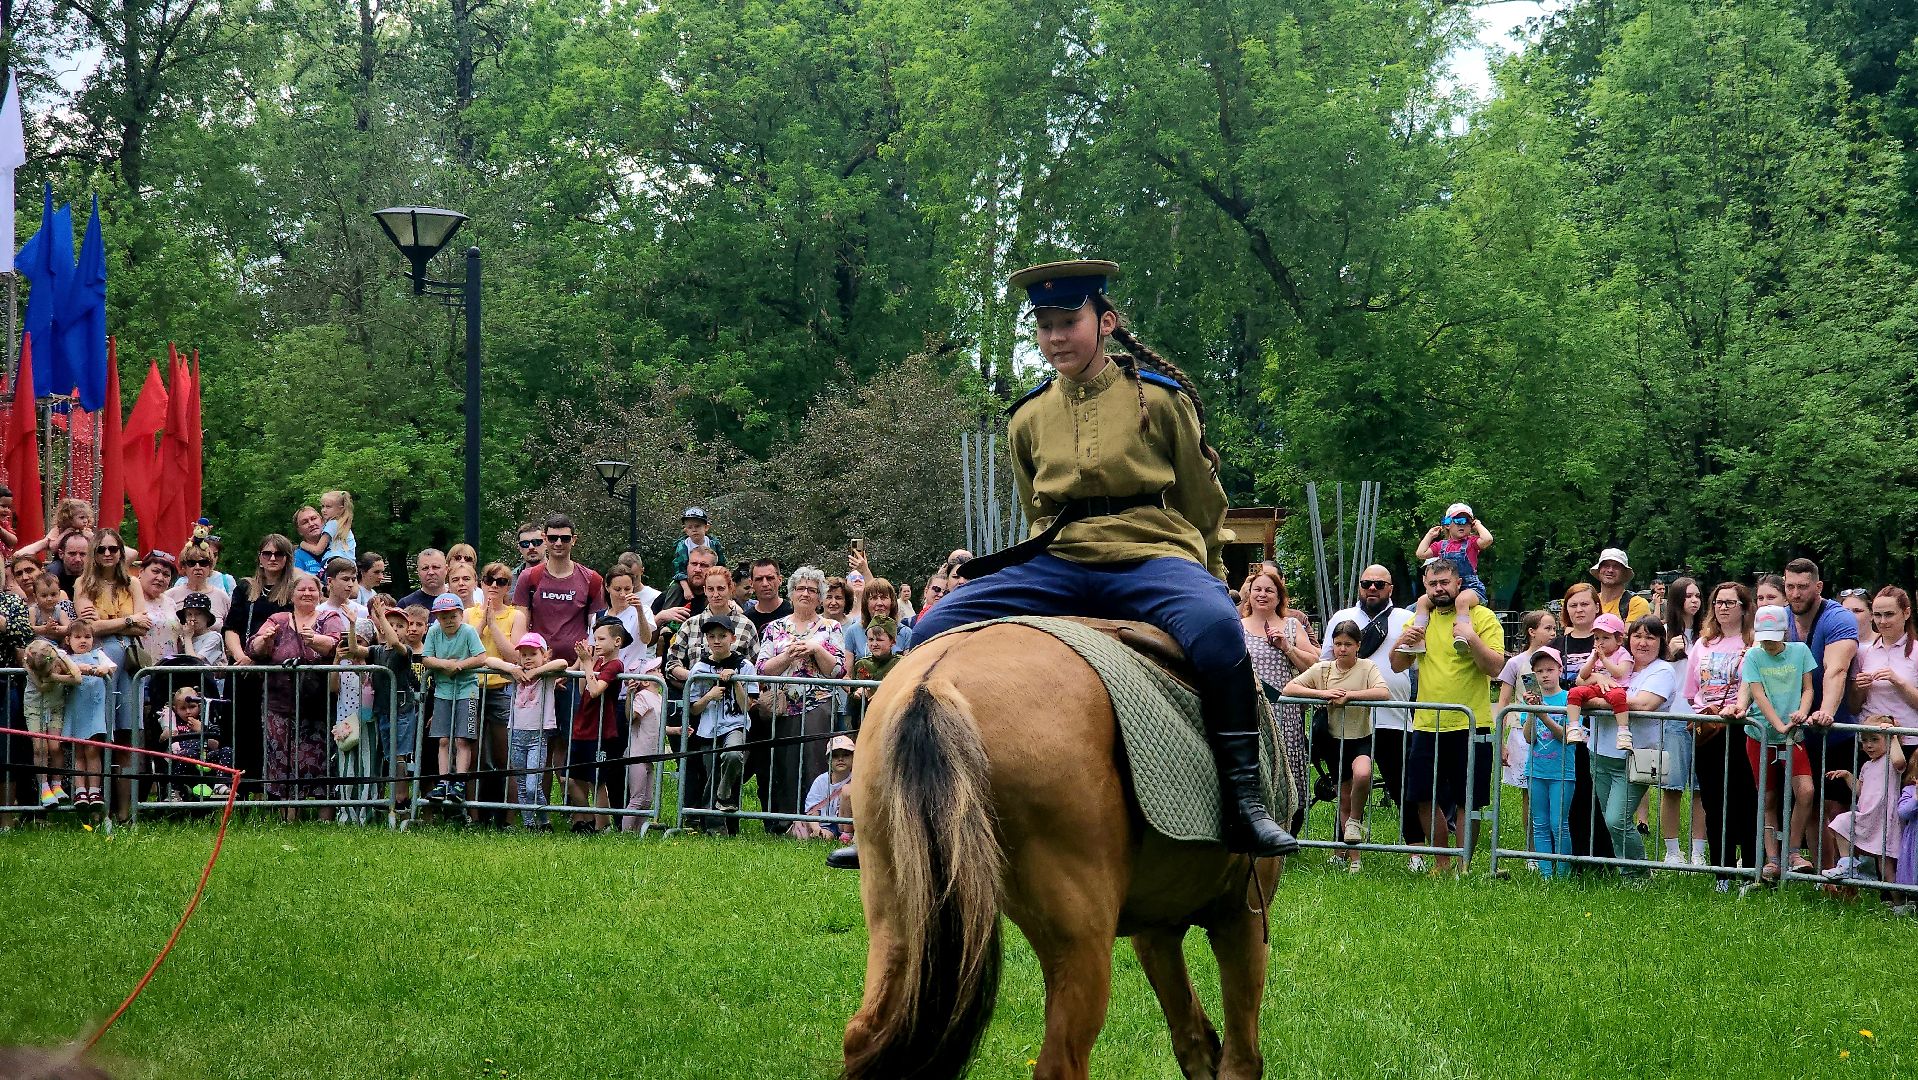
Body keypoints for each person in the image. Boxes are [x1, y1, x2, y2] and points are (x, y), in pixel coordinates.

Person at [829, 259, 1297, 873]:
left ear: (1105, 322)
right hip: (1060, 557)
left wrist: (1206, 569)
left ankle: (1243, 802)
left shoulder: (1159, 399)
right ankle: (888, 810)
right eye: (1045, 325)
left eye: (1068, 322)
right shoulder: (1026, 417)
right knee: (933, 626)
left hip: (1150, 552)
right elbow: (1035, 511)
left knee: (1214, 629)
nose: (1056, 337)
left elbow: (1202, 502)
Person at [1391, 557, 1505, 872]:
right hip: (1427, 724)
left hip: (1472, 722)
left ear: (1458, 584)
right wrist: (1404, 641)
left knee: (1469, 800)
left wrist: (1471, 638)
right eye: (1433, 584)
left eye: (1445, 583)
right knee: (1422, 796)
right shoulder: (1419, 620)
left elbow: (1495, 667)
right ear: (1425, 587)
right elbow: (1397, 665)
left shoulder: (1482, 617)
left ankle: (1463, 866)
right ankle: (1443, 863)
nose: (1440, 589)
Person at [1321, 564, 1419, 847]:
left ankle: (1415, 851)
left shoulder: (1406, 618)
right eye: (1366, 583)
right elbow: (1324, 662)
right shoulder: (1342, 618)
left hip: (1394, 716)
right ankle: (1344, 851)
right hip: (1348, 720)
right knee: (1348, 787)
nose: (1372, 588)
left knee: (1403, 786)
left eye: (1379, 584)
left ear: (1390, 588)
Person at [1284, 620, 1389, 867]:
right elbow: (1290, 688)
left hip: (1360, 738)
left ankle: (1355, 820)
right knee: (1343, 797)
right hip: (1334, 742)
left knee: (1363, 775)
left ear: (1357, 646)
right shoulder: (1323, 670)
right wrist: (1323, 694)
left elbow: (1383, 692)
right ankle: (1354, 858)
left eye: (1348, 644)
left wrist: (1351, 696)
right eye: (1338, 643)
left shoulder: (1367, 667)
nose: (1342, 649)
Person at [1783, 558, 1862, 868]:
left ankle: (1848, 875)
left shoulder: (1838, 618)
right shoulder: (1781, 618)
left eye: (1803, 587)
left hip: (1837, 729)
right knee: (1809, 802)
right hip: (1796, 729)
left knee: (1837, 808)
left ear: (1818, 587)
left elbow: (1836, 669)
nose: (1796, 593)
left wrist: (1826, 712)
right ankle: (1823, 876)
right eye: (1790, 586)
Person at [248, 573, 346, 819]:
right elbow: (254, 648)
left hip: (317, 707)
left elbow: (336, 644)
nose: (306, 593)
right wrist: (265, 640)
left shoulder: (328, 618)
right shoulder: (278, 619)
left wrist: (314, 640)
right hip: (278, 705)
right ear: (291, 595)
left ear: (320, 593)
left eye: (312, 589)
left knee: (320, 763)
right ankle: (289, 818)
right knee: (282, 763)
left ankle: (324, 820)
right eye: (301, 589)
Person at [1586, 616, 1678, 879]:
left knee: (1617, 819)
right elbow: (1580, 687)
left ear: (1661, 642)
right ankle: (1626, 869)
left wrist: (1599, 699)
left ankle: (1639, 873)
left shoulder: (1662, 671)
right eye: (1638, 636)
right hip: (1600, 752)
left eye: (1650, 637)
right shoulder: (1617, 665)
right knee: (1609, 819)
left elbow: (1645, 704)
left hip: (1636, 756)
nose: (1643, 642)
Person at [755, 565, 847, 824]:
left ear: (820, 597)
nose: (805, 593)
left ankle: (818, 820)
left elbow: (838, 670)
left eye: (812, 590)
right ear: (792, 593)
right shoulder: (774, 628)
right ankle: (784, 821)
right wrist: (787, 655)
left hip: (819, 704)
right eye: (800, 589)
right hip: (783, 707)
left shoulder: (831, 628)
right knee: (784, 763)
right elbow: (761, 669)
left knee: (815, 762)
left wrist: (816, 649)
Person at [1686, 582, 1761, 885]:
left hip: (1744, 728)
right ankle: (1722, 871)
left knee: (1745, 800)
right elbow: (1693, 693)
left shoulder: (1754, 643)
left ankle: (1750, 870)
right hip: (1709, 732)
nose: (1723, 607)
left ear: (1744, 607)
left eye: (1731, 602)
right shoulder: (1703, 644)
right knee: (1714, 802)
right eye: (1718, 602)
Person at [511, 514, 606, 751]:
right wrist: (530, 668)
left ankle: (565, 787)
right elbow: (520, 627)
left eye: (564, 538)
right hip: (537, 673)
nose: (558, 543)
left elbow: (598, 631)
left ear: (574, 540)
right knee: (538, 745)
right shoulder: (529, 577)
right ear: (545, 538)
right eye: (552, 538)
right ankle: (538, 790)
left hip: (573, 675)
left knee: (571, 743)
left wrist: (574, 670)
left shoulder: (591, 579)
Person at [1739, 604, 1819, 881]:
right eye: (1765, 637)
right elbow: (1758, 695)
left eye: (1774, 636)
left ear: (1785, 632)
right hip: (1762, 735)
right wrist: (1778, 725)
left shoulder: (1800, 652)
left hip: (1793, 735)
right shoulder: (1753, 656)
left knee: (1805, 791)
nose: (1770, 643)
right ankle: (1772, 859)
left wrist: (1802, 713)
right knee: (1768, 797)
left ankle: (1794, 851)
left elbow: (1808, 688)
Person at [74, 529, 150, 818]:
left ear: (120, 552)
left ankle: (124, 813)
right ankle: (98, 812)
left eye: (113, 549)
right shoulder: (84, 583)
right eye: (101, 549)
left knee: (128, 735)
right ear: (94, 553)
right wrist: (127, 620)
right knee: (99, 734)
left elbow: (144, 625)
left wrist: (110, 622)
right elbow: (88, 628)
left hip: (130, 661)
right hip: (97, 658)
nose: (107, 554)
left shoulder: (132, 583)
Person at [1240, 565, 1319, 833]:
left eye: (1269, 590)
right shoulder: (1236, 627)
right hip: (1249, 709)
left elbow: (1314, 665)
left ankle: (1289, 827)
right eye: (1257, 590)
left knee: (1288, 764)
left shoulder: (1291, 625)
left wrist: (1287, 647)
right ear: (1249, 595)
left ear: (1279, 595)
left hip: (1284, 711)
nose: (1262, 595)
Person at [1494, 610, 1558, 856]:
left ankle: (1554, 846)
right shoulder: (1515, 663)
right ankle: (1532, 848)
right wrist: (1500, 740)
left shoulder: (1557, 660)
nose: (1553, 634)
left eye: (1554, 629)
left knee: (1552, 789)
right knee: (1529, 793)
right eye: (1547, 628)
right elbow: (1503, 701)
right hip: (1523, 732)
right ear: (1532, 631)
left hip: (1553, 731)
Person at [420, 591, 491, 812]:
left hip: (467, 691)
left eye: (452, 616)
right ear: (437, 619)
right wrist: (444, 665)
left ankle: (459, 782)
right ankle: (443, 781)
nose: (448, 621)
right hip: (442, 692)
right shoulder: (433, 632)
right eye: (443, 617)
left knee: (462, 740)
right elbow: (426, 658)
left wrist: (459, 666)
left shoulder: (468, 631)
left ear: (460, 614)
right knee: (442, 740)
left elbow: (481, 657)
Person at [468, 561, 526, 827]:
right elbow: (464, 648)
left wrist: (494, 622)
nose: (494, 586)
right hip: (471, 688)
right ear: (481, 583)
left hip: (501, 688)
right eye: (489, 580)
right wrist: (482, 622)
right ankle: (474, 816)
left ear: (508, 586)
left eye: (501, 582)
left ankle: (509, 818)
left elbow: (515, 654)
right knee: (472, 753)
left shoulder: (516, 616)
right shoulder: (469, 613)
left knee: (506, 756)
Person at [687, 615, 758, 820]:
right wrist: (709, 696)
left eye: (722, 636)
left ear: (732, 638)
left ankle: (723, 794)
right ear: (706, 640)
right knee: (712, 774)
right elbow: (693, 709)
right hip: (708, 729)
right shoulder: (699, 669)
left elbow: (747, 707)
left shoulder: (745, 666)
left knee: (733, 755)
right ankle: (715, 825)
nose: (717, 640)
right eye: (712, 636)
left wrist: (735, 682)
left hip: (735, 724)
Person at [1821, 717, 1905, 883]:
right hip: (1867, 814)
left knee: (1885, 865)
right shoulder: (1867, 765)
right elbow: (1861, 791)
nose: (1868, 745)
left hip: (1884, 818)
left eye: (1875, 739)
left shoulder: (1890, 760)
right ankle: (1847, 864)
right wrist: (1847, 776)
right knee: (1842, 822)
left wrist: (1893, 735)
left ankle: (1899, 901)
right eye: (1865, 740)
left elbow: (1899, 761)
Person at [565, 616, 628, 833]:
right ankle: (589, 818)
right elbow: (584, 688)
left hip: (601, 730)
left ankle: (603, 826)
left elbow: (595, 691)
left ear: (617, 642)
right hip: (583, 727)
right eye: (595, 638)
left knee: (597, 781)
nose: (597, 643)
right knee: (569, 778)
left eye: (601, 639)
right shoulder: (598, 662)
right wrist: (585, 662)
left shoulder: (615, 664)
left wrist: (589, 664)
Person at [1403, 503, 1493, 653]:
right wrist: (1429, 535)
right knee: (1422, 601)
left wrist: (1479, 525)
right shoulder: (1441, 545)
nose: (1463, 525)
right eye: (1458, 521)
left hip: (1470, 587)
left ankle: (1462, 635)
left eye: (1467, 521)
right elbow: (1420, 553)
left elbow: (1488, 539)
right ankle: (1418, 639)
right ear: (1447, 524)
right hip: (1447, 587)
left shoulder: (1471, 543)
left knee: (1462, 600)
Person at [505, 632, 568, 830]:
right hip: (515, 734)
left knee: (533, 783)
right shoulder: (516, 672)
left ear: (544, 655)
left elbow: (563, 663)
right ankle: (532, 823)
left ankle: (542, 819)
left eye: (532, 653)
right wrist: (512, 669)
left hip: (537, 736)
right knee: (522, 783)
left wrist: (534, 673)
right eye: (523, 655)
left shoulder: (547, 675)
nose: (527, 659)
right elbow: (490, 661)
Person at [1522, 647, 1575, 878]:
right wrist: (1533, 712)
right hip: (1536, 770)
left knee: (1558, 823)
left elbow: (1567, 736)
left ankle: (1562, 871)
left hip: (1562, 772)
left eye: (1550, 670)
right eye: (1539, 671)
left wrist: (1544, 715)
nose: (1545, 675)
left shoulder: (1569, 699)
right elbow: (1528, 737)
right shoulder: (1533, 701)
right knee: (1540, 823)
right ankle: (1545, 873)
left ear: (1560, 671)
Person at [1850, 586, 1918, 743]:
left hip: (1907, 740)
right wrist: (1859, 688)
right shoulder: (1864, 652)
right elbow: (1853, 707)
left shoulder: (1915, 652)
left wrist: (1898, 681)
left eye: (1889, 614)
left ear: (1906, 613)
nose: (1882, 621)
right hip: (1869, 742)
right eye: (1877, 615)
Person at [62, 621, 115, 809]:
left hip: (94, 710)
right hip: (75, 710)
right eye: (77, 637)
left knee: (92, 750)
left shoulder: (98, 655)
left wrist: (104, 669)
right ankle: (80, 791)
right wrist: (82, 668)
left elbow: (111, 667)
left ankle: (94, 789)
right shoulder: (65, 658)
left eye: (87, 637)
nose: (83, 641)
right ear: (68, 640)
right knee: (78, 752)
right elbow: (63, 670)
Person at [23, 637, 80, 808]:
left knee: (55, 747)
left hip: (55, 708)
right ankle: (44, 787)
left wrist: (53, 676)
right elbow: (42, 687)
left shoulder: (60, 655)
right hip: (35, 708)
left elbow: (77, 678)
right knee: (40, 748)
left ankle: (57, 784)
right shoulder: (29, 661)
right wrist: (50, 676)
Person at [1564, 613, 1634, 752]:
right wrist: (1592, 659)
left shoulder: (1622, 653)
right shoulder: (1594, 654)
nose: (1600, 642)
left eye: (1606, 638)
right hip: (1595, 688)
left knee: (1619, 697)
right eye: (1596, 638)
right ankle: (1573, 726)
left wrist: (1603, 659)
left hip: (1615, 687)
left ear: (1619, 639)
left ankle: (1623, 731)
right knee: (1574, 692)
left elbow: (1619, 673)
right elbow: (1583, 676)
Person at [792, 734, 856, 841]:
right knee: (825, 836)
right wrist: (816, 828)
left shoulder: (857, 778)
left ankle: (847, 835)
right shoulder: (820, 781)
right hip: (826, 824)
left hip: (849, 824)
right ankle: (823, 835)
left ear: (854, 758)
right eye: (835, 756)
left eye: (845, 755)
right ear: (828, 760)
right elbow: (812, 809)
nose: (840, 759)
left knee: (847, 790)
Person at [843, 576, 914, 658]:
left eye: (884, 598)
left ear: (892, 602)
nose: (879, 603)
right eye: (874, 598)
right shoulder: (853, 632)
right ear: (866, 603)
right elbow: (849, 669)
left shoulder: (905, 633)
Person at [165, 541, 231, 626]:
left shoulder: (222, 598)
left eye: (203, 563)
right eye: (191, 563)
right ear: (184, 567)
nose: (197, 567)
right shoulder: (170, 596)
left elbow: (230, 630)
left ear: (210, 566)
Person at [1590, 548, 1651, 623]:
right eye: (1606, 566)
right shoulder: (1590, 602)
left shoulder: (1637, 604)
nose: (1610, 570)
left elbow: (1630, 634)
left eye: (1616, 567)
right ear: (1599, 570)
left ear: (1624, 573)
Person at [673, 507, 727, 580]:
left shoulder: (714, 544)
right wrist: (686, 589)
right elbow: (679, 570)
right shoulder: (682, 547)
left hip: (711, 579)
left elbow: (721, 566)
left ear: (706, 527)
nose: (694, 530)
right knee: (674, 589)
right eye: (690, 527)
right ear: (686, 530)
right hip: (688, 580)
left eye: (697, 526)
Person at [744, 558, 791, 634]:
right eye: (759, 579)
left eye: (770, 578)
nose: (765, 584)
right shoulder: (746, 621)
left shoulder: (793, 612)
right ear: (751, 583)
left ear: (780, 580)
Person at [319, 490, 356, 562]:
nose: (323, 510)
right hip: (350, 563)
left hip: (335, 561)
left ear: (341, 509)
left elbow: (318, 550)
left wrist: (303, 545)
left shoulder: (332, 524)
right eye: (323, 506)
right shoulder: (343, 525)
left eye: (328, 507)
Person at [292, 505, 330, 576]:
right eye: (305, 522)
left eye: (314, 518)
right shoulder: (297, 556)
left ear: (322, 521)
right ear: (299, 530)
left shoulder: (337, 546)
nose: (311, 524)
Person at [512, 524, 544, 588]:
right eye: (525, 544)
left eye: (536, 542)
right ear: (519, 548)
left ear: (546, 543)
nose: (531, 547)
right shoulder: (509, 579)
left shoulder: (561, 575)